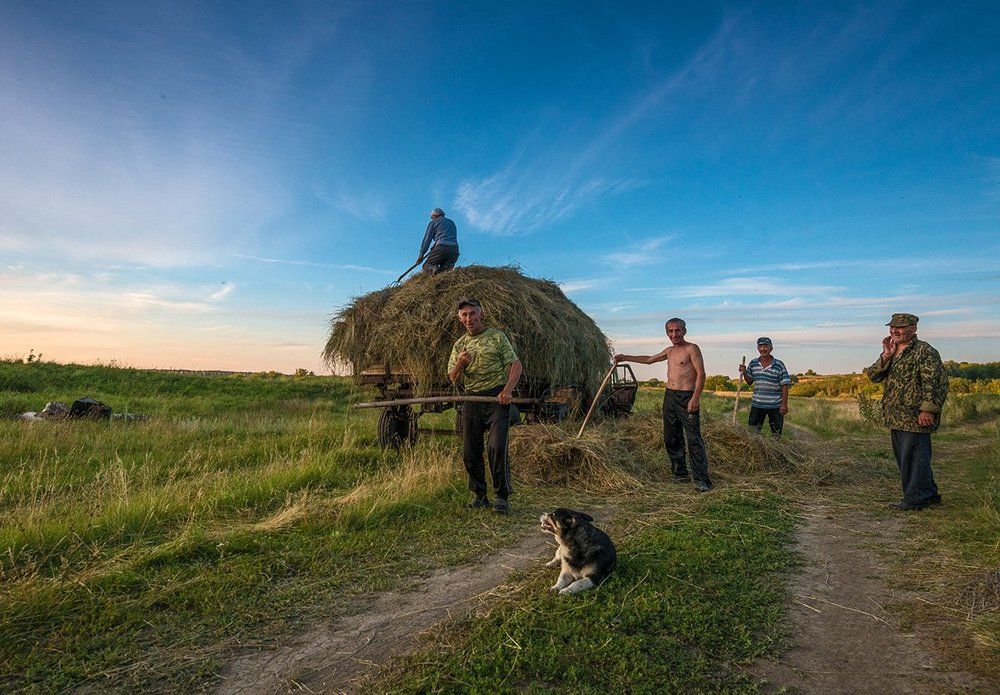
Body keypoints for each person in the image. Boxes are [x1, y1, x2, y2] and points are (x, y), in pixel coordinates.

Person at [614, 318, 712, 492]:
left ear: (684, 331)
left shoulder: (692, 348)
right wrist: (625, 357)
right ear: (667, 333)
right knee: (671, 437)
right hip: (670, 396)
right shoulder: (669, 351)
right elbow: (649, 360)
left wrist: (695, 398)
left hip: (687, 396)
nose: (674, 334)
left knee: (693, 438)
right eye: (670, 331)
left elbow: (701, 374)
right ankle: (680, 473)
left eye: (677, 330)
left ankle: (702, 479)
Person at [864, 313, 948, 511]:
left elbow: (935, 382)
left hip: (915, 416)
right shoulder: (893, 351)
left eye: (900, 327)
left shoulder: (924, 351)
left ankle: (915, 499)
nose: (895, 330)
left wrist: (927, 410)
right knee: (910, 458)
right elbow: (873, 376)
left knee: (914, 458)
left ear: (913, 329)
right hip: (896, 416)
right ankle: (929, 494)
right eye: (892, 327)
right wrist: (886, 355)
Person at [447, 297, 522, 513]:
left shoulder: (497, 337)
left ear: (481, 314)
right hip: (472, 399)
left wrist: (507, 390)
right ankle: (479, 495)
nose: (469, 318)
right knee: (470, 451)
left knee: (496, 447)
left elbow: (516, 365)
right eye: (464, 315)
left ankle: (502, 497)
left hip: (496, 398)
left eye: (472, 313)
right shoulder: (460, 345)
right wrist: (460, 363)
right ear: (460, 318)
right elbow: (452, 377)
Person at [739, 337, 791, 436]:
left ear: (771, 348)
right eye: (760, 346)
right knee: (752, 433)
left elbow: (785, 385)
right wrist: (744, 372)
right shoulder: (753, 363)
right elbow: (749, 381)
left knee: (776, 434)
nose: (763, 349)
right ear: (757, 348)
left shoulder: (779, 365)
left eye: (766, 346)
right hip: (757, 404)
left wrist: (784, 404)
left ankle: (775, 447)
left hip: (775, 405)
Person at [417, 208, 459, 274]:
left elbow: (427, 239)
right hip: (454, 250)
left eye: (432, 217)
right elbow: (446, 236)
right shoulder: (451, 222)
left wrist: (421, 254)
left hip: (442, 247)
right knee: (443, 272)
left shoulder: (433, 222)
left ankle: (434, 268)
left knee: (427, 265)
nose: (432, 219)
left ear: (435, 215)